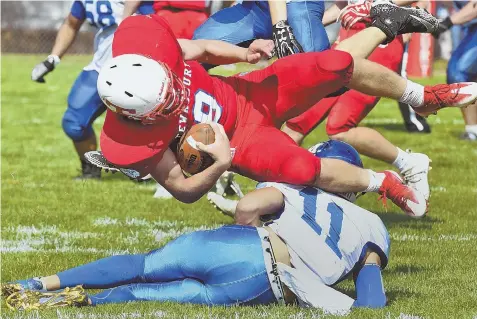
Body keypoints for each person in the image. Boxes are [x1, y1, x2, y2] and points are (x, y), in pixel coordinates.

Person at [95, 4, 477, 218]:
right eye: (166, 102)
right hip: (242, 143)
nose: (177, 94)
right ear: (137, 117)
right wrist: (220, 162)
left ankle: (420, 97)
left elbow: (204, 50)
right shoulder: (132, 137)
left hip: (250, 93)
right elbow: (181, 188)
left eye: (171, 85)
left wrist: (244, 53)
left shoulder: (153, 51)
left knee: (329, 67)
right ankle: (381, 182)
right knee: (302, 168)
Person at [2, 142, 389, 314]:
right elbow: (371, 301)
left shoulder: (296, 184)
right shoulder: (371, 224)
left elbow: (254, 205)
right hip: (267, 287)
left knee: (146, 265)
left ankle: (37, 284)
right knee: (142, 294)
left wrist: (242, 223)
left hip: (242, 246)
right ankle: (65, 304)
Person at [279, 0, 432, 203]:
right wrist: (298, 28)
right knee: (297, 120)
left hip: (380, 41)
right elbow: (344, 5)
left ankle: (409, 163)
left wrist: (371, 6)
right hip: (348, 41)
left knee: (340, 128)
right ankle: (277, 192)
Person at [30, 0, 128, 179]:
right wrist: (52, 58)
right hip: (102, 67)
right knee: (73, 122)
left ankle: (158, 172)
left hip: (139, 68)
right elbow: (71, 23)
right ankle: (91, 169)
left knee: (143, 123)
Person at [434, 0, 477, 141]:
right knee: (467, 76)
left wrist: (445, 23)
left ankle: (473, 130)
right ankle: (472, 129)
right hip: (471, 29)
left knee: (458, 72)